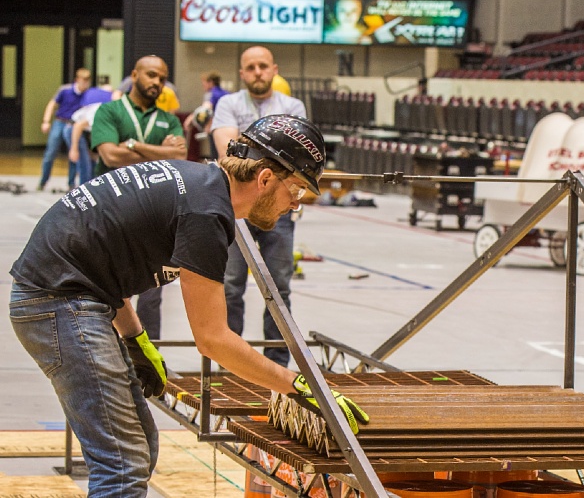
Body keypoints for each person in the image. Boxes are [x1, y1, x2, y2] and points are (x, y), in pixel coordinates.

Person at [9, 114, 368, 496]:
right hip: (57, 303)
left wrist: (135, 338)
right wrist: (300, 386)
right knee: (122, 466)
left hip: (69, 297)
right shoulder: (206, 214)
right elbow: (213, 340)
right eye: (295, 190)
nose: (294, 205)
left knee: (140, 445)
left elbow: (104, 263)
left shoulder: (200, 186)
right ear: (264, 178)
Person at [212, 46, 308, 367]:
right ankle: (231, 361)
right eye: (250, 67)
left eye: (263, 66)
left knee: (279, 286)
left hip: (278, 208)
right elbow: (229, 151)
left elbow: (298, 159)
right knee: (229, 286)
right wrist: (275, 151)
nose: (257, 72)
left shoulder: (292, 106)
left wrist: (248, 144)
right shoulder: (228, 103)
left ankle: (278, 365)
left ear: (274, 69)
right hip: (236, 208)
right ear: (242, 73)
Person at [91, 56, 188, 341]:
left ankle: (150, 355)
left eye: (162, 78)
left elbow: (179, 156)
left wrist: (132, 145)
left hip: (154, 218)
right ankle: (109, 351)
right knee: (111, 289)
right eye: (151, 75)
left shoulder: (169, 120)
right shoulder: (109, 112)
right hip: (110, 213)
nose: (157, 82)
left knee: (152, 293)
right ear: (134, 75)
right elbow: (109, 155)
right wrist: (160, 151)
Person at [38, 67, 92, 191]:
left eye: (87, 81)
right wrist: (46, 121)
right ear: (77, 80)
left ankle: (71, 183)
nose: (85, 83)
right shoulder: (65, 90)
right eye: (83, 80)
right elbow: (52, 104)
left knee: (74, 154)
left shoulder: (87, 94)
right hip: (60, 122)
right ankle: (43, 181)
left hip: (74, 125)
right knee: (50, 152)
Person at [66, 83, 117, 186]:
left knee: (91, 162)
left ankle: (85, 186)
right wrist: (74, 148)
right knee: (85, 164)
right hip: (73, 129)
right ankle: (84, 190)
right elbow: (78, 126)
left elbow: (92, 133)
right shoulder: (101, 110)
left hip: (83, 131)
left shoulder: (107, 108)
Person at [183, 71, 229, 159]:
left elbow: (205, 109)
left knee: (216, 156)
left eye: (204, 83)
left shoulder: (212, 94)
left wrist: (191, 118)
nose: (203, 86)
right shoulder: (227, 93)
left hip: (217, 128)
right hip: (229, 128)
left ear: (210, 82)